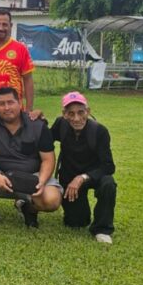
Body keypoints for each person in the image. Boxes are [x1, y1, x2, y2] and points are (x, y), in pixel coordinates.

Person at [0, 87, 62, 228]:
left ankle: (29, 209)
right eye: (1, 104)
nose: (7, 107)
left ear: (20, 103)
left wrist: (42, 181)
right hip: (0, 174)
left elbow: (48, 159)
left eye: (11, 102)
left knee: (52, 200)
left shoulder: (38, 125)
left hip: (33, 176)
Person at [51, 92, 117, 243]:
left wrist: (82, 177)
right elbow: (44, 141)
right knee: (76, 223)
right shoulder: (60, 124)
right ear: (64, 114)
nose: (76, 118)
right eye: (71, 113)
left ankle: (102, 229)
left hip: (94, 175)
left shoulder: (100, 131)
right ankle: (80, 215)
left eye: (81, 112)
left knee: (108, 184)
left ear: (88, 111)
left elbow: (108, 166)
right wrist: (37, 119)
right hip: (69, 176)